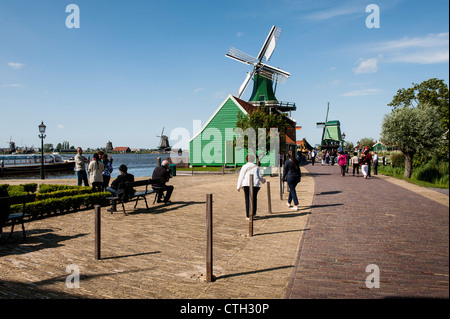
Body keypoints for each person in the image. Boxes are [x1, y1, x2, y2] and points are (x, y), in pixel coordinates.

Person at [237, 154, 266, 219]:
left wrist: (238, 186)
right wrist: (263, 181)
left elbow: (241, 176)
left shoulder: (244, 166)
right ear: (253, 159)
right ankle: (253, 213)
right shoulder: (256, 167)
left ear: (246, 159)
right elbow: (260, 176)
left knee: (247, 199)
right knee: (254, 199)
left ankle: (248, 215)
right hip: (255, 185)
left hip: (246, 184)